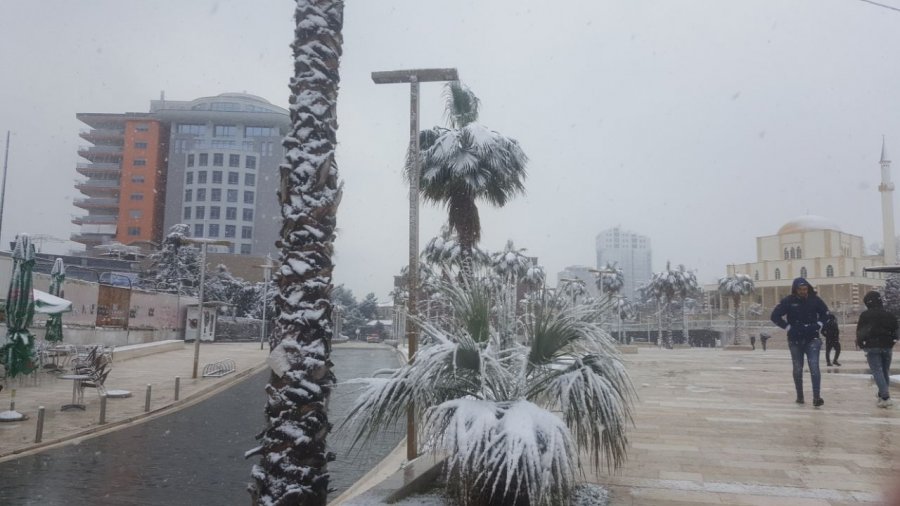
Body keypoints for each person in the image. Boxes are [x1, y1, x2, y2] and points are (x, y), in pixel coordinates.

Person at [770, 277, 829, 407]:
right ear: (795, 290)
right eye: (800, 289)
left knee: (814, 367)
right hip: (795, 340)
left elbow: (826, 314)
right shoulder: (789, 301)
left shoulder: (815, 300)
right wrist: (788, 327)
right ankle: (800, 395)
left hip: (812, 338)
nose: (803, 292)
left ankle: (816, 396)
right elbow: (774, 316)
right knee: (797, 369)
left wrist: (818, 324)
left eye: (805, 289)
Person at [856, 291, 898, 408]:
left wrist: (862, 344)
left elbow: (861, 332)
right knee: (885, 371)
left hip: (872, 346)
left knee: (877, 371)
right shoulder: (889, 314)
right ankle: (882, 394)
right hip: (887, 346)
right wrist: (891, 342)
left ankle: (885, 397)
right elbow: (896, 331)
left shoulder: (865, 315)